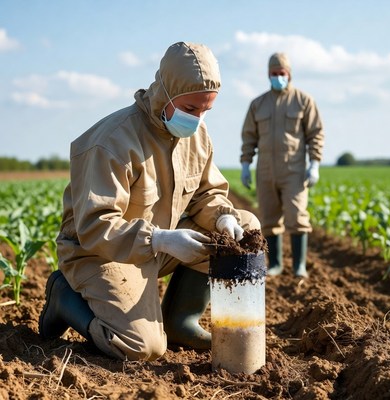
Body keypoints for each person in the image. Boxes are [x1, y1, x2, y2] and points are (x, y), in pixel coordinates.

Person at [39, 41, 261, 361]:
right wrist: (160, 239)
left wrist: (223, 217)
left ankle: (180, 321)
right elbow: (94, 225)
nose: (198, 120)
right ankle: (64, 298)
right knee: (142, 347)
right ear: (165, 95)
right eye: (190, 109)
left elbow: (206, 194)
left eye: (205, 110)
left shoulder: (195, 135)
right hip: (99, 254)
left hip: (157, 249)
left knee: (244, 225)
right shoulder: (112, 141)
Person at [240, 52, 324, 278]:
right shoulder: (258, 104)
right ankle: (276, 264)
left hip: (294, 170)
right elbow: (249, 136)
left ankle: (299, 266)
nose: (277, 77)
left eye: (281, 73)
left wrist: (314, 162)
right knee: (268, 218)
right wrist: (246, 164)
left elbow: (315, 133)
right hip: (265, 170)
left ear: (289, 74)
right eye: (273, 74)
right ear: (268, 74)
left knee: (297, 217)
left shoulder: (303, 101)